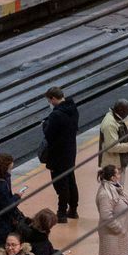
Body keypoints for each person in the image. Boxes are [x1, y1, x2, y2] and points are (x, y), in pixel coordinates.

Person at [42, 87, 80, 222]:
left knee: (60, 184)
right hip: (70, 151)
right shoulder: (73, 109)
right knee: (71, 180)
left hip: (57, 154)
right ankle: (73, 209)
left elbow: (49, 134)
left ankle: (62, 213)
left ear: (53, 98)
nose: (49, 103)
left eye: (49, 100)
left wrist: (45, 124)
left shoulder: (56, 115)